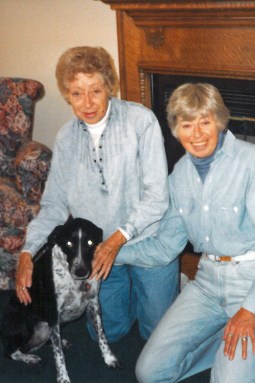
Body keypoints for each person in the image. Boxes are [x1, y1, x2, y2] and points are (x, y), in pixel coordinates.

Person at [116, 83, 255, 382]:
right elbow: (165, 246)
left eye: (206, 122)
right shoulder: (179, 176)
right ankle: (243, 355)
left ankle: (254, 350)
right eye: (187, 125)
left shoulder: (252, 162)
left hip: (254, 283)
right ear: (176, 130)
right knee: (149, 372)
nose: (197, 134)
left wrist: (250, 308)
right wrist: (111, 253)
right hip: (207, 283)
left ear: (219, 121)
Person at [15, 46, 179, 343]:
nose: (87, 103)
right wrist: (27, 251)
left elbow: (157, 197)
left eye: (95, 91)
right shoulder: (66, 137)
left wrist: (118, 239)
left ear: (109, 87)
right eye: (77, 93)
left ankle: (174, 285)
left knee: (157, 334)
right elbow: (53, 205)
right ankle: (134, 292)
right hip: (101, 253)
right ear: (67, 95)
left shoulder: (141, 122)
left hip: (149, 243)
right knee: (108, 333)